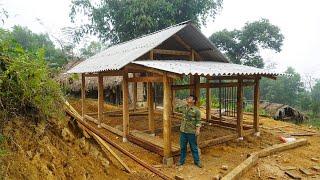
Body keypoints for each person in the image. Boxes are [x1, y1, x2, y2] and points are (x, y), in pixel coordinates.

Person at [178, 95, 202, 168]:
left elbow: (198, 121)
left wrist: (198, 129)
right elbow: (176, 108)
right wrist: (181, 102)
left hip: (191, 131)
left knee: (193, 147)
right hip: (183, 131)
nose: (188, 98)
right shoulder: (184, 107)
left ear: (194, 101)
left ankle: (197, 161)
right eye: (187, 97)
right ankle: (181, 161)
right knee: (182, 147)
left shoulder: (196, 110)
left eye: (190, 98)